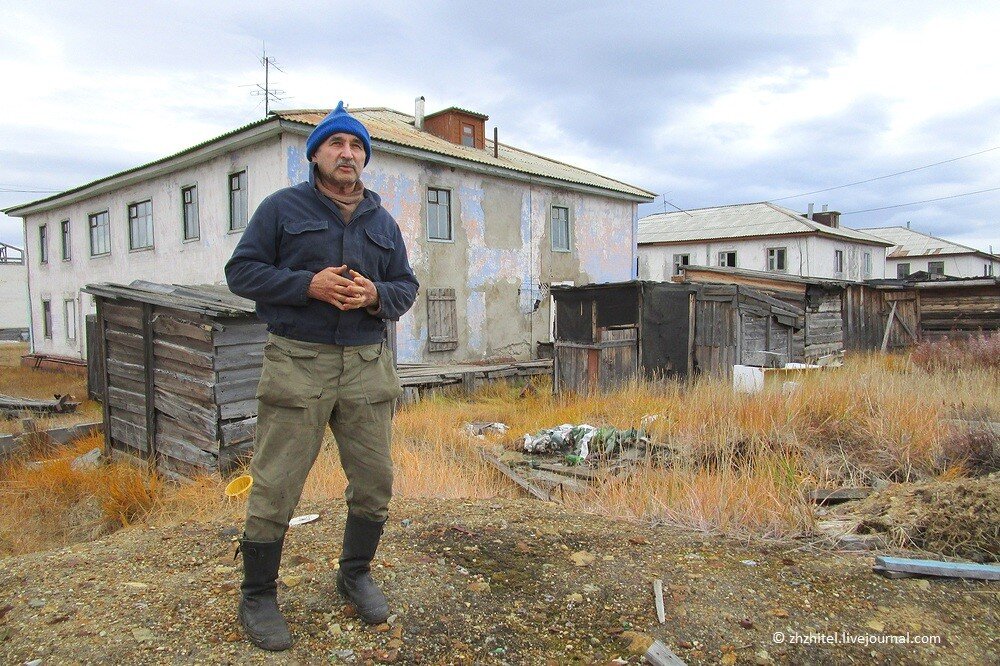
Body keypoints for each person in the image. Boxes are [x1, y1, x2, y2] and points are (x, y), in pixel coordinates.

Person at [225, 101, 419, 651]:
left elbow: (406, 286)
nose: (348, 154)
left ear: (365, 159)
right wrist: (306, 285)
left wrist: (376, 295)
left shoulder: (383, 222)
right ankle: (258, 594)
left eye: (357, 147)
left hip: (365, 365)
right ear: (315, 154)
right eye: (337, 144)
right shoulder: (281, 209)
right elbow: (241, 272)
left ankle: (354, 573)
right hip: (297, 362)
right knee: (277, 483)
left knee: (375, 481)